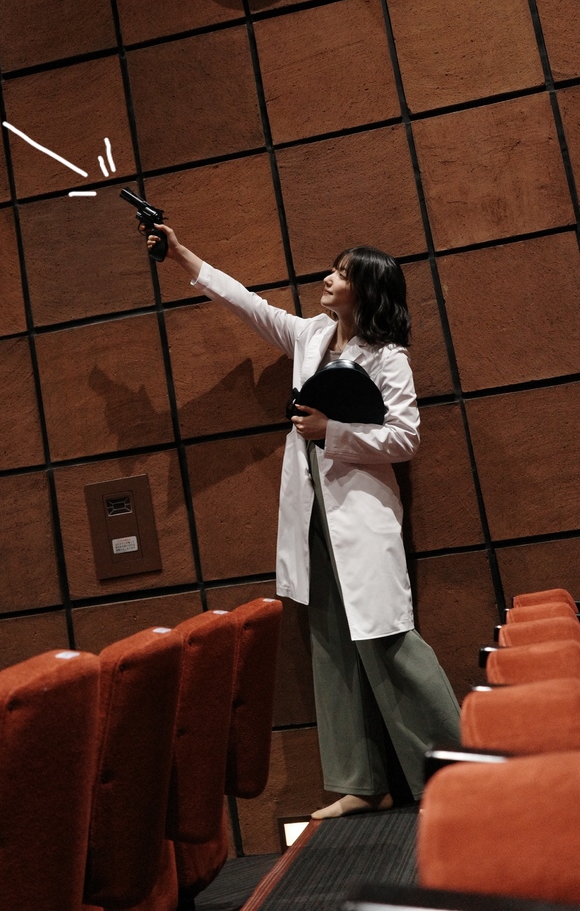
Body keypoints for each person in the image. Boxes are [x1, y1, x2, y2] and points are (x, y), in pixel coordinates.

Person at [146, 223, 460, 817]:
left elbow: (406, 438)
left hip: (361, 517)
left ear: (365, 290)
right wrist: (181, 254)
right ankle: (362, 784)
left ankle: (455, 775)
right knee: (332, 644)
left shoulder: (388, 357)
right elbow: (248, 305)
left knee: (390, 640)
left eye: (341, 273)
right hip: (313, 516)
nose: (328, 279)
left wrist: (331, 432)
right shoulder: (311, 335)